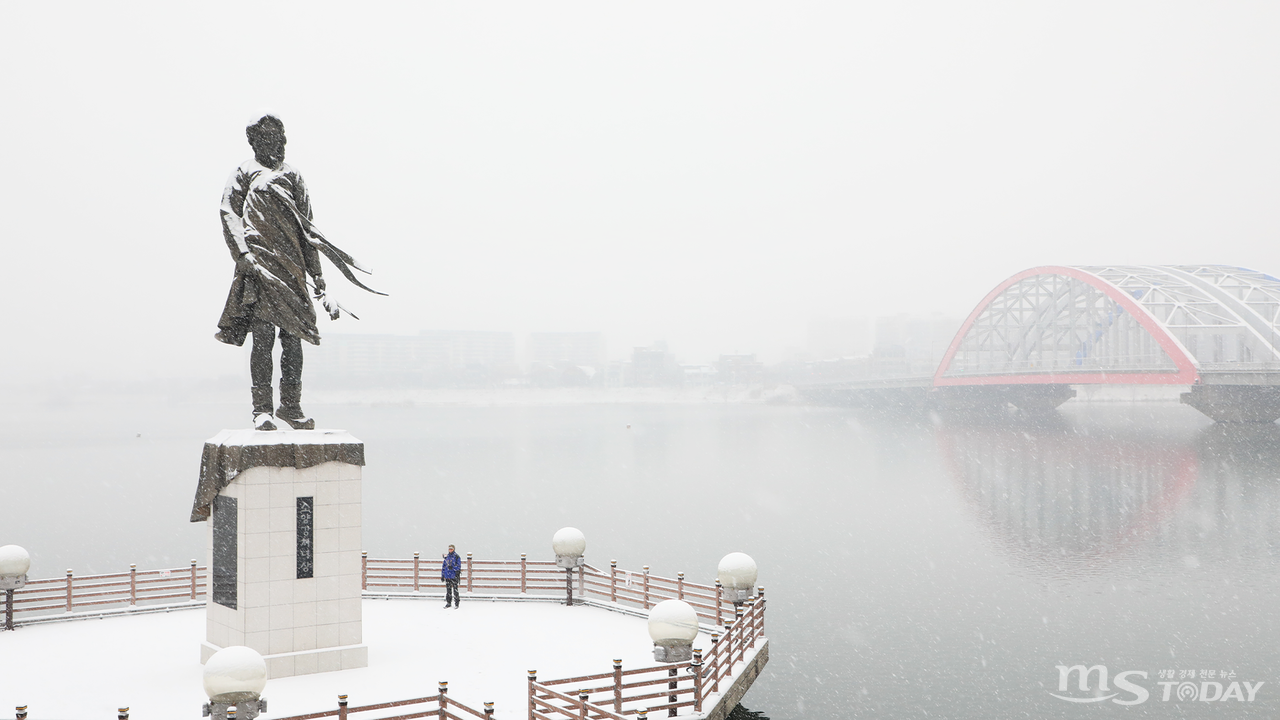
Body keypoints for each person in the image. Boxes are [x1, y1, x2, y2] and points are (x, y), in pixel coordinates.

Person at [214, 112, 383, 431]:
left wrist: (318, 276)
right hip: (260, 267)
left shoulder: (294, 176)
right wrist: (242, 254)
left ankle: (291, 406)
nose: (279, 144)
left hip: (292, 270)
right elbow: (228, 214)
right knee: (263, 339)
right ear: (255, 141)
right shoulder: (244, 173)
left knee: (293, 340)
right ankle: (262, 409)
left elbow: (309, 230)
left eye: (281, 138)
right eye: (270, 138)